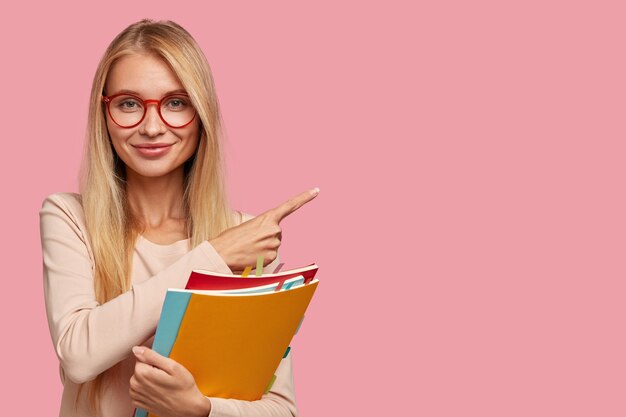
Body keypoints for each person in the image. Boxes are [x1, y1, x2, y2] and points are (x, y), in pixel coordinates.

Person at [39, 19, 318, 417]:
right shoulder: (69, 217)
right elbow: (79, 355)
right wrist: (214, 256)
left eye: (176, 103)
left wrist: (200, 409)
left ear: (201, 112)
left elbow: (281, 410)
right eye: (129, 104)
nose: (152, 127)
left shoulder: (247, 238)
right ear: (104, 112)